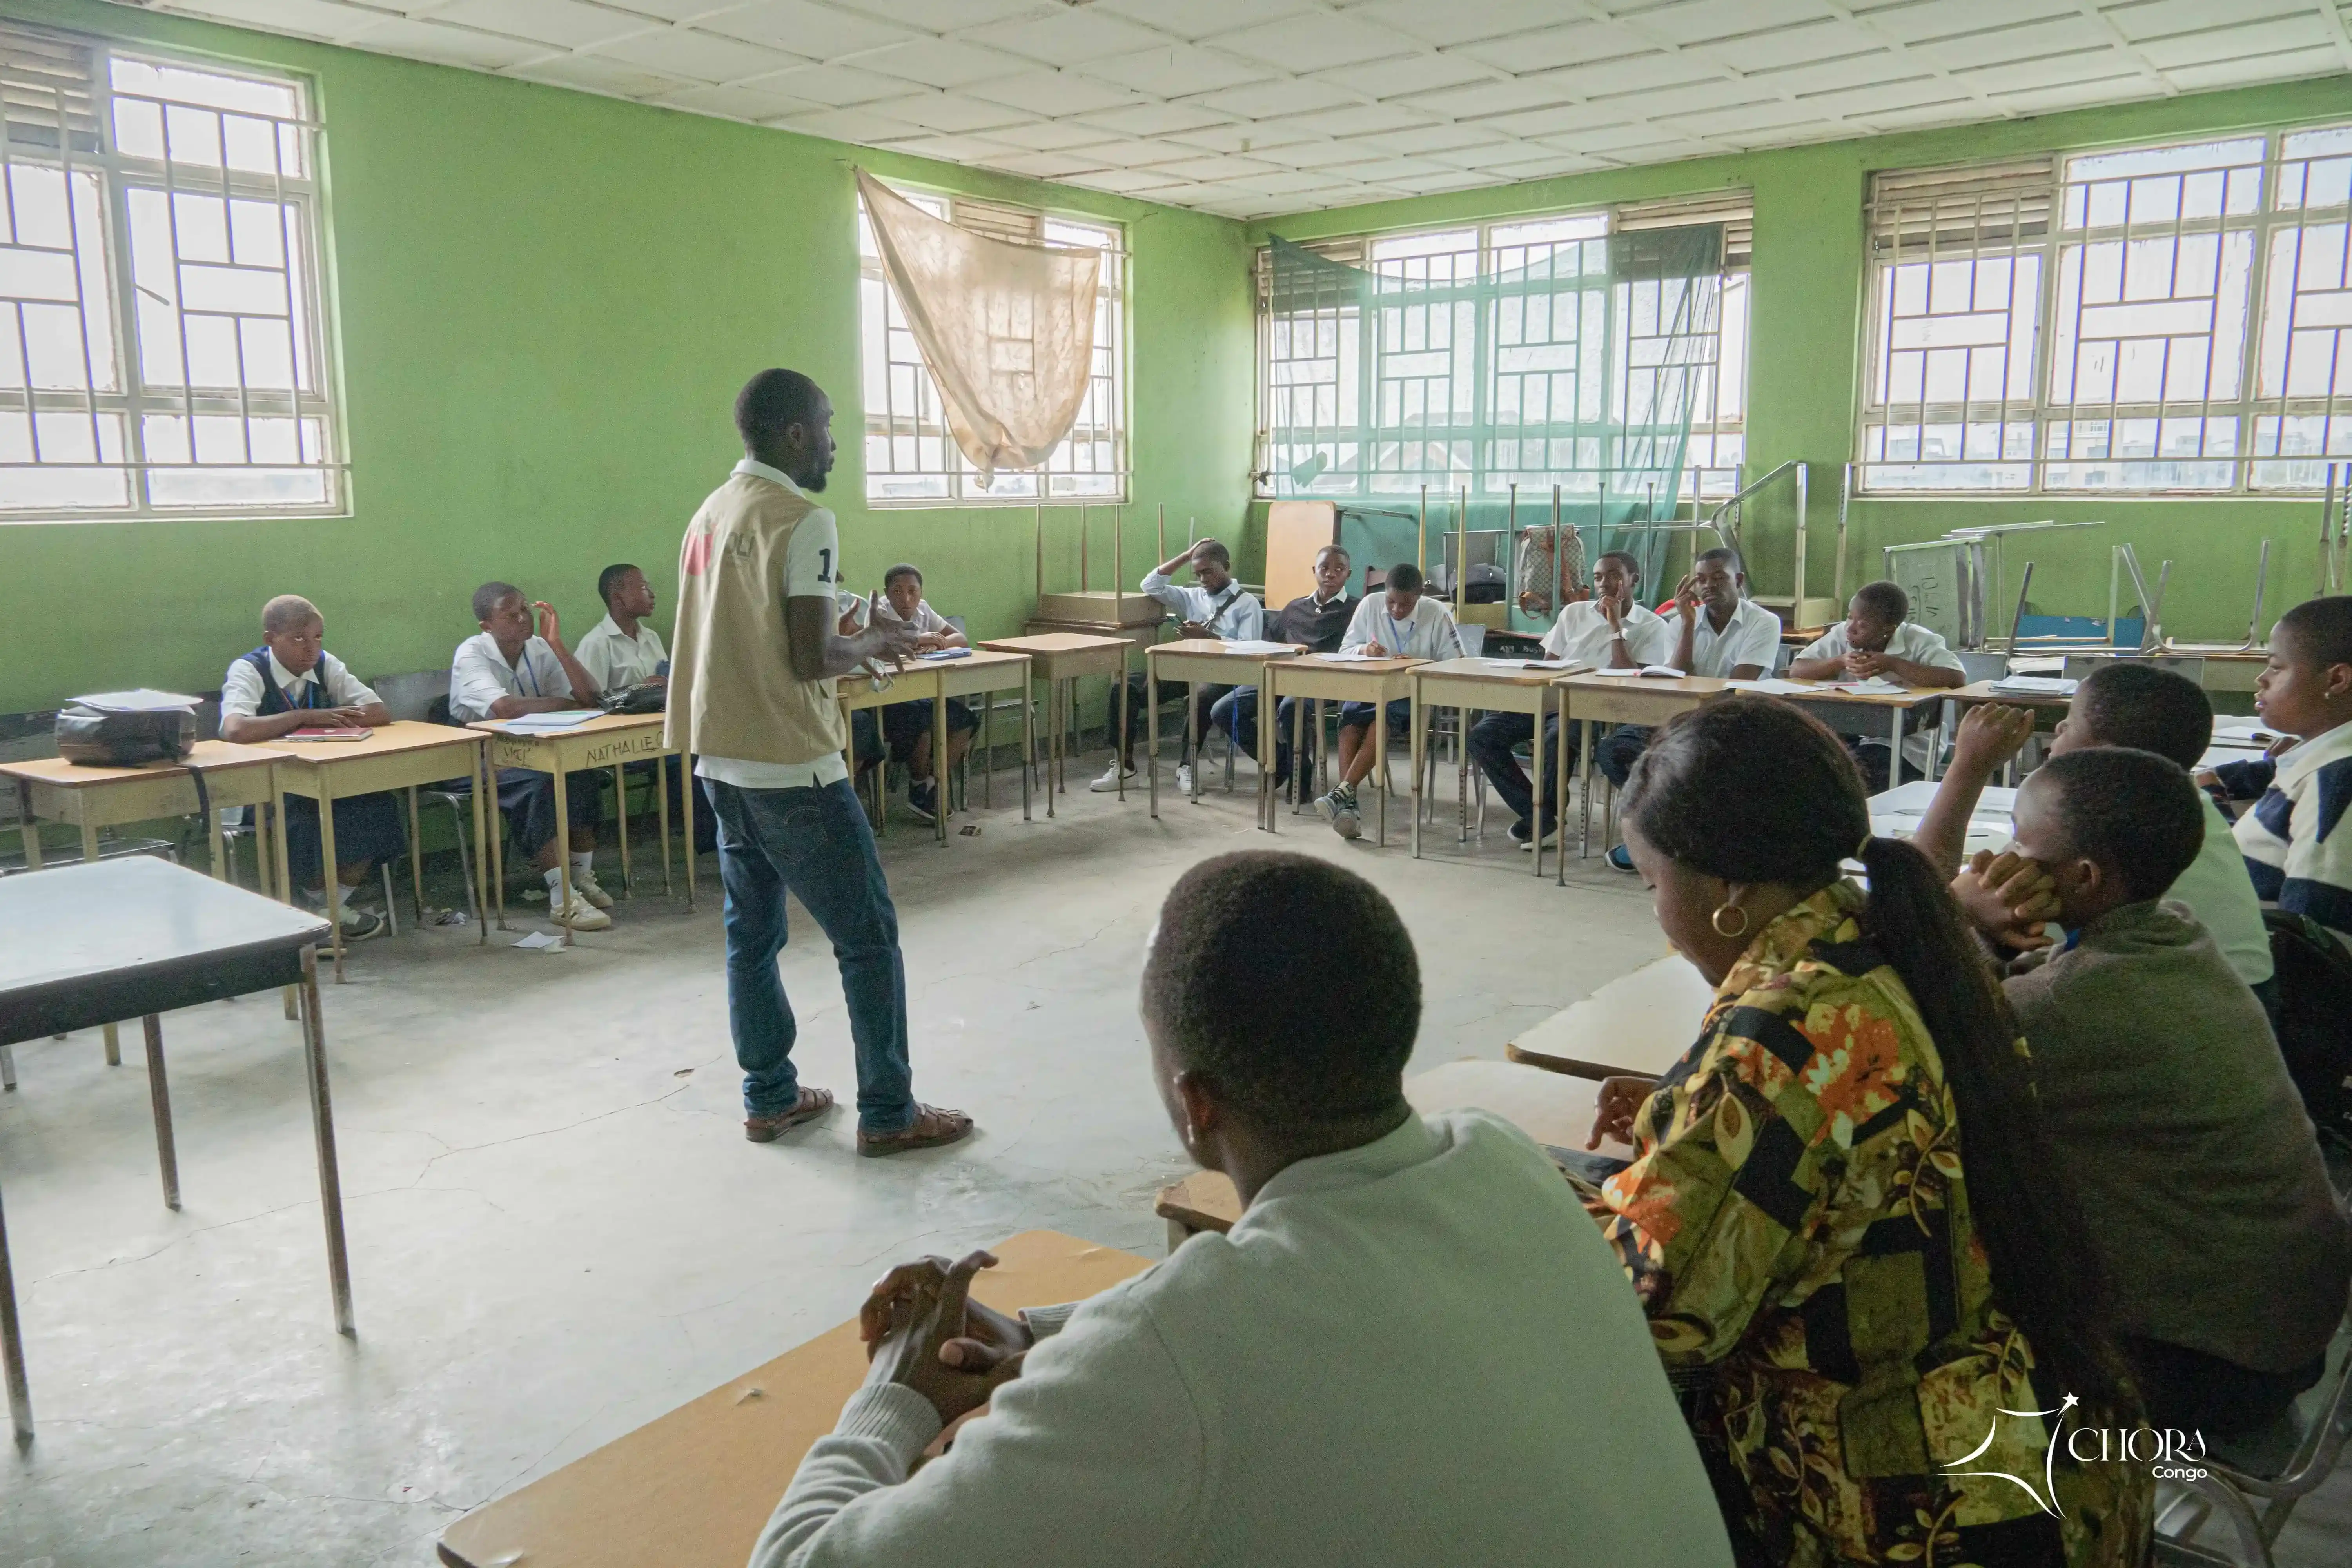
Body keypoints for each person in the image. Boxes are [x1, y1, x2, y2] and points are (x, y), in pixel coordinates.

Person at [748, 852, 1734, 1568]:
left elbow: (799, 1558)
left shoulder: (1182, 1355)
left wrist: (897, 1386)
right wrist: (1045, 1337)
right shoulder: (1503, 1162)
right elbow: (1268, 1300)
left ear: (1193, 1102)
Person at [1587, 697, 2148, 1567]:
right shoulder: (1892, 940)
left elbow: (1658, 1313)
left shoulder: (1790, 1031)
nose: (1657, 909)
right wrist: (1683, 1114)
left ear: (1728, 891)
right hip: (2041, 1457)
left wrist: (1534, 1202)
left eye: (1654, 883)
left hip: (1909, 1508)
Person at [1958, 746, 2351, 1437]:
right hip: (2281, 1328)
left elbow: (1914, 1048)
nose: (2002, 857)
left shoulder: (2074, 1001)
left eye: (2021, 840)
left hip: (2206, 1366)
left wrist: (1956, 912)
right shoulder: (2174, 930)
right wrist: (1991, 939)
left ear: (2081, 876)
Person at [668, 368, 971, 1156]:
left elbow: (758, 640)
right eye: (830, 426)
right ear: (796, 434)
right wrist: (872, 640)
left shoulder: (711, 512)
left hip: (721, 758)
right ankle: (889, 1110)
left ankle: (769, 1096)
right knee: (868, 938)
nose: (837, 442)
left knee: (752, 938)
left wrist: (850, 648)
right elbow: (809, 657)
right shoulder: (803, 518)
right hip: (792, 765)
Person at [1916, 666, 2275, 1008]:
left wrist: (1968, 768)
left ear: (2103, 756)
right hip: (2239, 1002)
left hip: (2171, 1011)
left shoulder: (2089, 842)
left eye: (2070, 723)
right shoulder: (2184, 809)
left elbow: (1915, 898)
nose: (2058, 728)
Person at [217, 594, 402, 940]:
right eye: (298, 639)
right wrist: (304, 717)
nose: (310, 648)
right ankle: (325, 909)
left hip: (318, 778)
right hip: (259, 788)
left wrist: (329, 722)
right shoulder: (249, 669)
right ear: (270, 640)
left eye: (317, 638)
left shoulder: (325, 664)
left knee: (378, 804)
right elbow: (236, 729)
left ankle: (326, 909)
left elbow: (379, 711)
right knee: (306, 818)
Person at [1467, 549, 1668, 850]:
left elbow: (1631, 678)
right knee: (1482, 736)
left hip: (1598, 708)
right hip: (1551, 698)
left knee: (1558, 736)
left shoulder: (1652, 626)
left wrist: (1616, 628)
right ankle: (1541, 816)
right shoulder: (1574, 613)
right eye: (1599, 577)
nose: (1604, 584)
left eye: (1614, 576)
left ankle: (1543, 820)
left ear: (1633, 581)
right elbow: (1548, 664)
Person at [450, 582, 613, 932]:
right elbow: (504, 708)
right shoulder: (472, 653)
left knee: (580, 768)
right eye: (511, 615)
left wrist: (557, 644)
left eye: (525, 609)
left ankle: (581, 876)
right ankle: (561, 897)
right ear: (487, 626)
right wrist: (567, 704)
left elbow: (590, 697)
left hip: (532, 748)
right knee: (538, 781)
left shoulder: (539, 648)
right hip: (475, 755)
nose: (523, 619)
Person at [2207, 595, 2352, 946]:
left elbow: (2315, 943)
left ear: (2336, 680)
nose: (2262, 679)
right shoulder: (2317, 760)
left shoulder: (2336, 783)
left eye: (2276, 667)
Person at [1093, 539, 1263, 795]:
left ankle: (1188, 766)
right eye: (1198, 574)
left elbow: (1250, 648)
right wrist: (1187, 554)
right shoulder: (1192, 596)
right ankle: (1124, 768)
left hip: (1224, 673)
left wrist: (1209, 638)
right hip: (1185, 668)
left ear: (1226, 566)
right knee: (1124, 687)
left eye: (1209, 572)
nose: (1203, 579)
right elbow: (1150, 585)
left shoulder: (1247, 603)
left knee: (1202, 696)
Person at [1312, 563, 1462, 840]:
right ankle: (1347, 805)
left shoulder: (1437, 613)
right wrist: (1364, 650)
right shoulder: (1370, 605)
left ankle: (1342, 795)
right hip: (1369, 687)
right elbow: (1346, 649)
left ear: (1420, 596)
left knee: (1381, 718)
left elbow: (1457, 663)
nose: (1396, 610)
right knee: (1350, 724)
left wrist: (1421, 663)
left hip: (1410, 694)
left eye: (1405, 604)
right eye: (1391, 602)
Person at [1211, 543, 1355, 802]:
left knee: (1291, 707)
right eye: (1324, 568)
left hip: (1323, 681)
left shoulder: (1355, 610)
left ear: (1348, 575)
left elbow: (1355, 651)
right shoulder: (1295, 608)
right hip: (1279, 676)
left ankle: (1301, 774)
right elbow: (1270, 644)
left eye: (1339, 569)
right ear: (1315, 571)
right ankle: (1282, 761)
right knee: (1223, 709)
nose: (1331, 574)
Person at [1788, 580, 1967, 788]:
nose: (1851, 628)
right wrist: (1839, 662)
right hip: (1848, 734)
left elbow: (1956, 678)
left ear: (1888, 629)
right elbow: (1798, 669)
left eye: (1862, 623)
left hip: (1905, 746)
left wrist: (1894, 664)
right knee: (1804, 765)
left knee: (1857, 776)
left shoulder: (1921, 641)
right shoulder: (1841, 635)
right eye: (1849, 617)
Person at [866, 563, 977, 826]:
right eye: (898, 591)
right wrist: (920, 639)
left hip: (922, 693)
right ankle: (918, 786)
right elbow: (879, 643)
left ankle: (931, 785)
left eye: (913, 592)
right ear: (887, 593)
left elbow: (960, 638)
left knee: (965, 720)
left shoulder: (924, 609)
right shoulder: (879, 612)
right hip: (887, 698)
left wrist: (938, 642)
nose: (906, 599)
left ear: (921, 592)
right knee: (923, 725)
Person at [575, 563, 668, 698]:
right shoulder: (596, 643)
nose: (652, 595)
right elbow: (592, 701)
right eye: (644, 588)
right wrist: (637, 692)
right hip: (620, 719)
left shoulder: (651, 637)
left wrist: (667, 684)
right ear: (617, 598)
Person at [1515, 521, 1585, 617]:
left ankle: (1541, 602)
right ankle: (1568, 598)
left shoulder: (1531, 543)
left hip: (1536, 600)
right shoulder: (1573, 541)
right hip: (1573, 600)